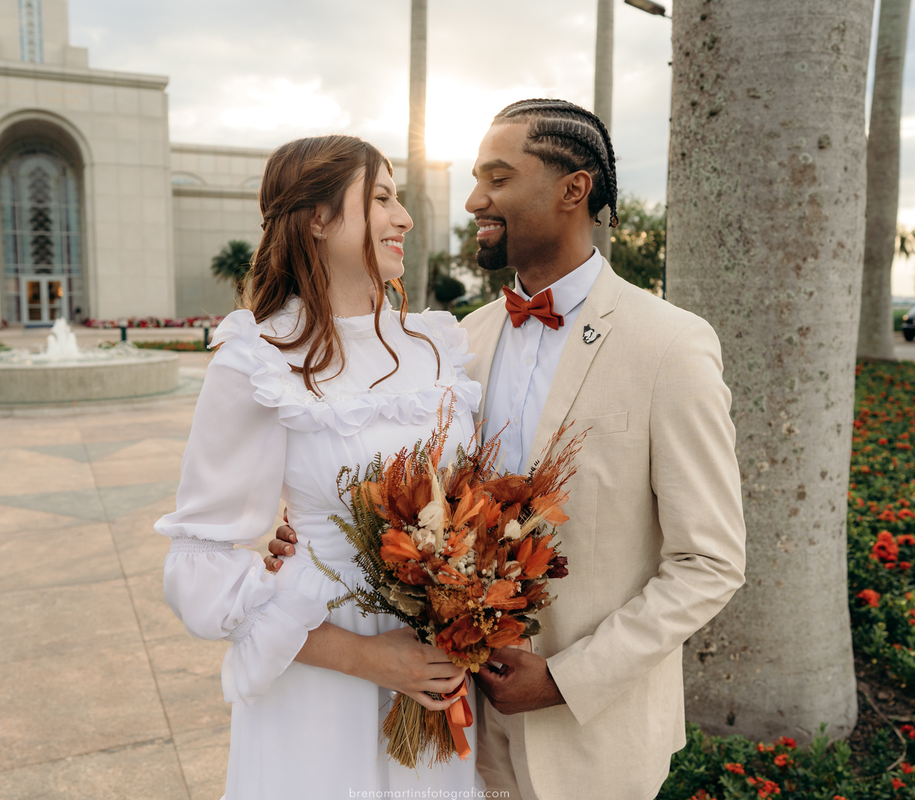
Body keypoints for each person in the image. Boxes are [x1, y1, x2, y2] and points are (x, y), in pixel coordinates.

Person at [267, 100, 748, 800]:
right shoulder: (456, 342)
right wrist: (313, 544)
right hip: (456, 731)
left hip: (593, 741)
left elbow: (709, 561)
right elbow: (414, 499)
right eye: (475, 178)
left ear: (572, 190)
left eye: (497, 178)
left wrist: (563, 679)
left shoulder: (669, 345)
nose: (473, 200)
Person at [156, 134, 485, 799]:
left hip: (437, 667)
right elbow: (199, 568)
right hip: (321, 670)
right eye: (383, 198)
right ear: (318, 218)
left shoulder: (435, 346)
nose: (405, 218)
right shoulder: (258, 358)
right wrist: (371, 659)